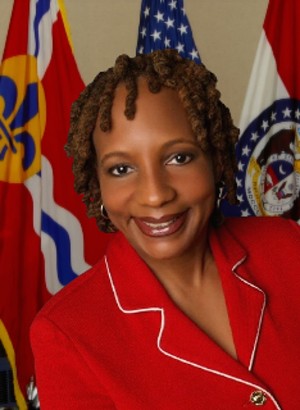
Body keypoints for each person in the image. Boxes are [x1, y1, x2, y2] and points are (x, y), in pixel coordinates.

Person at [30, 50, 300, 409]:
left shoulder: (286, 248)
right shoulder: (66, 332)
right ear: (96, 183)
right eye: (121, 169)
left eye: (179, 158)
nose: (155, 195)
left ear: (216, 160)